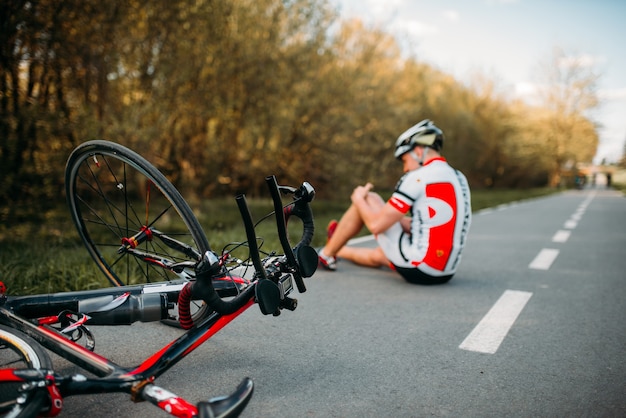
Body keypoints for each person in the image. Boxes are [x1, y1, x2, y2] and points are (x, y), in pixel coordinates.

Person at [318, 119, 472, 285]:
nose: (405, 169)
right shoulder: (458, 176)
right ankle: (336, 247)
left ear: (418, 151)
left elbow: (376, 225)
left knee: (369, 198)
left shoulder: (419, 176)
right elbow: (433, 223)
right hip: (445, 272)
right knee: (377, 255)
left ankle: (325, 255)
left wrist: (357, 199)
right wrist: (393, 216)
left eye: (405, 160)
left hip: (419, 268)